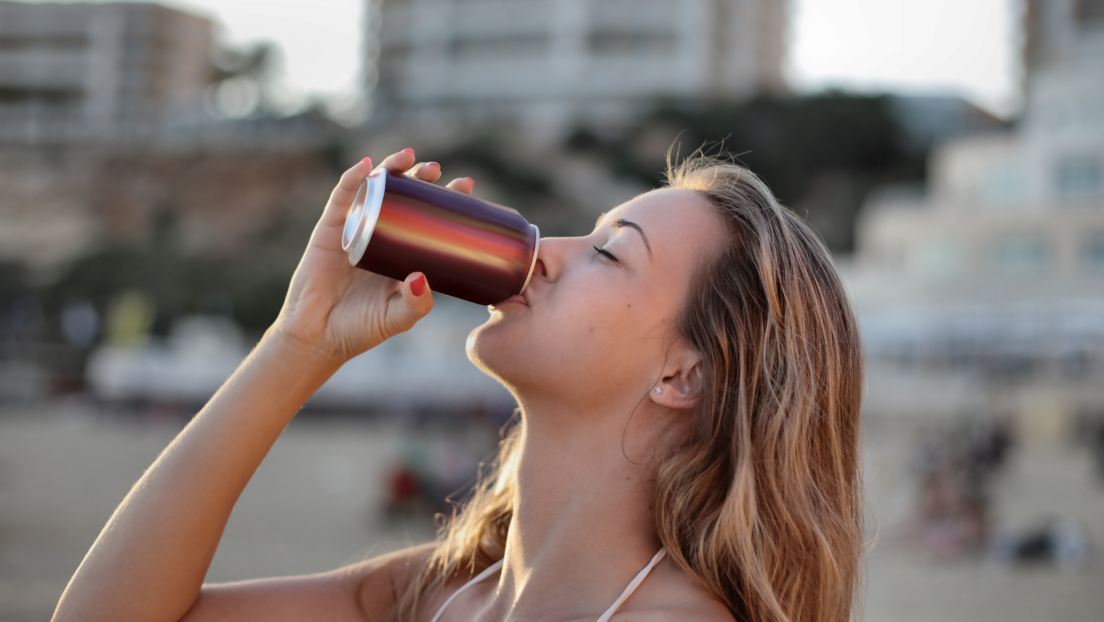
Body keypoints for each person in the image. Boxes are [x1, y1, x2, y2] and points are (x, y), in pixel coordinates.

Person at [53, 148, 865, 622]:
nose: (546, 248)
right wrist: (296, 344)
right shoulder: (445, 592)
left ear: (684, 374)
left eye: (610, 252)